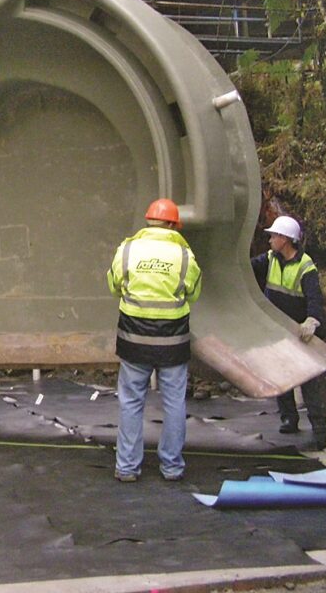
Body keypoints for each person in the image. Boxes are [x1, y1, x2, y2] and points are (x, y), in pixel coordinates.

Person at [106, 199, 202, 482]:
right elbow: (193, 294)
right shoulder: (185, 256)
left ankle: (127, 467)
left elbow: (113, 286)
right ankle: (171, 467)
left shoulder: (127, 250)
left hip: (133, 339)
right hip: (173, 342)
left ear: (149, 222)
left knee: (131, 401)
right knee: (174, 403)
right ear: (173, 225)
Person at [251, 215, 326, 451]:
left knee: (308, 382)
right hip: (277, 329)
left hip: (299, 331)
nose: (271, 240)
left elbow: (315, 297)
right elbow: (247, 268)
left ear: (285, 239)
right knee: (281, 375)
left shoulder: (305, 267)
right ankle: (289, 418)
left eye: (274, 236)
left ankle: (320, 431)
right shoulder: (270, 259)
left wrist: (311, 321)